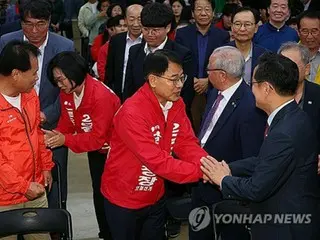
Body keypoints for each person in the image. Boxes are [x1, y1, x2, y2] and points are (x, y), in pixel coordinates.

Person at [201, 52, 320, 240]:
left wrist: (223, 179)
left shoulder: (283, 132)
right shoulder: (293, 116)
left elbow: (256, 189)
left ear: (266, 88)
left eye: (253, 84)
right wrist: (228, 168)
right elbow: (267, 161)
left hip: (284, 227)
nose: (251, 89)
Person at [102, 49, 210, 240]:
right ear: (153, 80)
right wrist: (203, 173)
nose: (179, 85)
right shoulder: (132, 112)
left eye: (182, 78)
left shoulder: (176, 103)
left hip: (156, 196)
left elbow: (185, 143)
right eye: (173, 79)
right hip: (125, 200)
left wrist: (207, 164)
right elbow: (157, 161)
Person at [0, 0, 74, 210]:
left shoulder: (65, 46)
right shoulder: (6, 41)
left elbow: (68, 91)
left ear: (50, 22)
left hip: (51, 127)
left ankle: (55, 226)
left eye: (40, 24)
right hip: (8, 121)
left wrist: (46, 114)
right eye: (28, 24)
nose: (34, 30)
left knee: (54, 182)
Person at [190, 46, 266, 240]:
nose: (206, 74)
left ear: (222, 75)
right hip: (201, 181)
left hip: (225, 192)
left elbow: (251, 157)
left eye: (209, 70)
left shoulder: (250, 106)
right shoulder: (216, 92)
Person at [44, 51, 120, 240]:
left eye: (61, 79)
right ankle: (105, 232)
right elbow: (67, 123)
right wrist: (57, 135)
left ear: (74, 73)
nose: (59, 85)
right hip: (96, 152)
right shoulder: (68, 92)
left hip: (116, 153)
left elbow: (98, 138)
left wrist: (65, 140)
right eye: (56, 80)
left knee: (113, 198)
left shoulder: (100, 96)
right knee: (99, 193)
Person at [0, 40, 54, 240]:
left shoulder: (30, 95)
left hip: (36, 188)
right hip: (4, 198)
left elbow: (36, 133)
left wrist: (45, 166)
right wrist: (23, 187)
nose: (36, 78)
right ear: (15, 74)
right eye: (33, 73)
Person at [123, 3, 194, 123]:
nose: (150, 34)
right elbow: (129, 89)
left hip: (171, 118)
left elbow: (185, 94)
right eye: (145, 29)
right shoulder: (135, 51)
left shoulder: (182, 54)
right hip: (138, 117)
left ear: (167, 28)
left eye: (155, 30)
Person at [175, 0, 230, 133]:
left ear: (213, 13)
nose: (203, 13)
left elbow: (224, 63)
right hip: (187, 88)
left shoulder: (222, 35)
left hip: (213, 88)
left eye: (207, 9)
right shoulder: (182, 34)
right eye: (199, 9)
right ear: (193, 13)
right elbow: (177, 61)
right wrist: (189, 80)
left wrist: (208, 80)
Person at [278, 42, 320, 173]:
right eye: (281, 66)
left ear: (307, 69)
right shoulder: (268, 94)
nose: (285, 71)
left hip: (311, 172)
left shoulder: (318, 95)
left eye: (292, 66)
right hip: (276, 170)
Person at [106, 4, 143, 99]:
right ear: (125, 20)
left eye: (139, 19)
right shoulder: (116, 41)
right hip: (119, 94)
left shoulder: (149, 41)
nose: (136, 24)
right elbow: (110, 70)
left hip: (142, 96)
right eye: (131, 19)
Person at [226, 7, 268, 85]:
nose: (242, 29)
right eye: (238, 24)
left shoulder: (265, 56)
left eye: (247, 24)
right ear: (232, 27)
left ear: (256, 28)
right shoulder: (221, 53)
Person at [297, 11, 320, 83]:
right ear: (298, 32)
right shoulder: (290, 54)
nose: (309, 36)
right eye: (305, 31)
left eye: (314, 31)